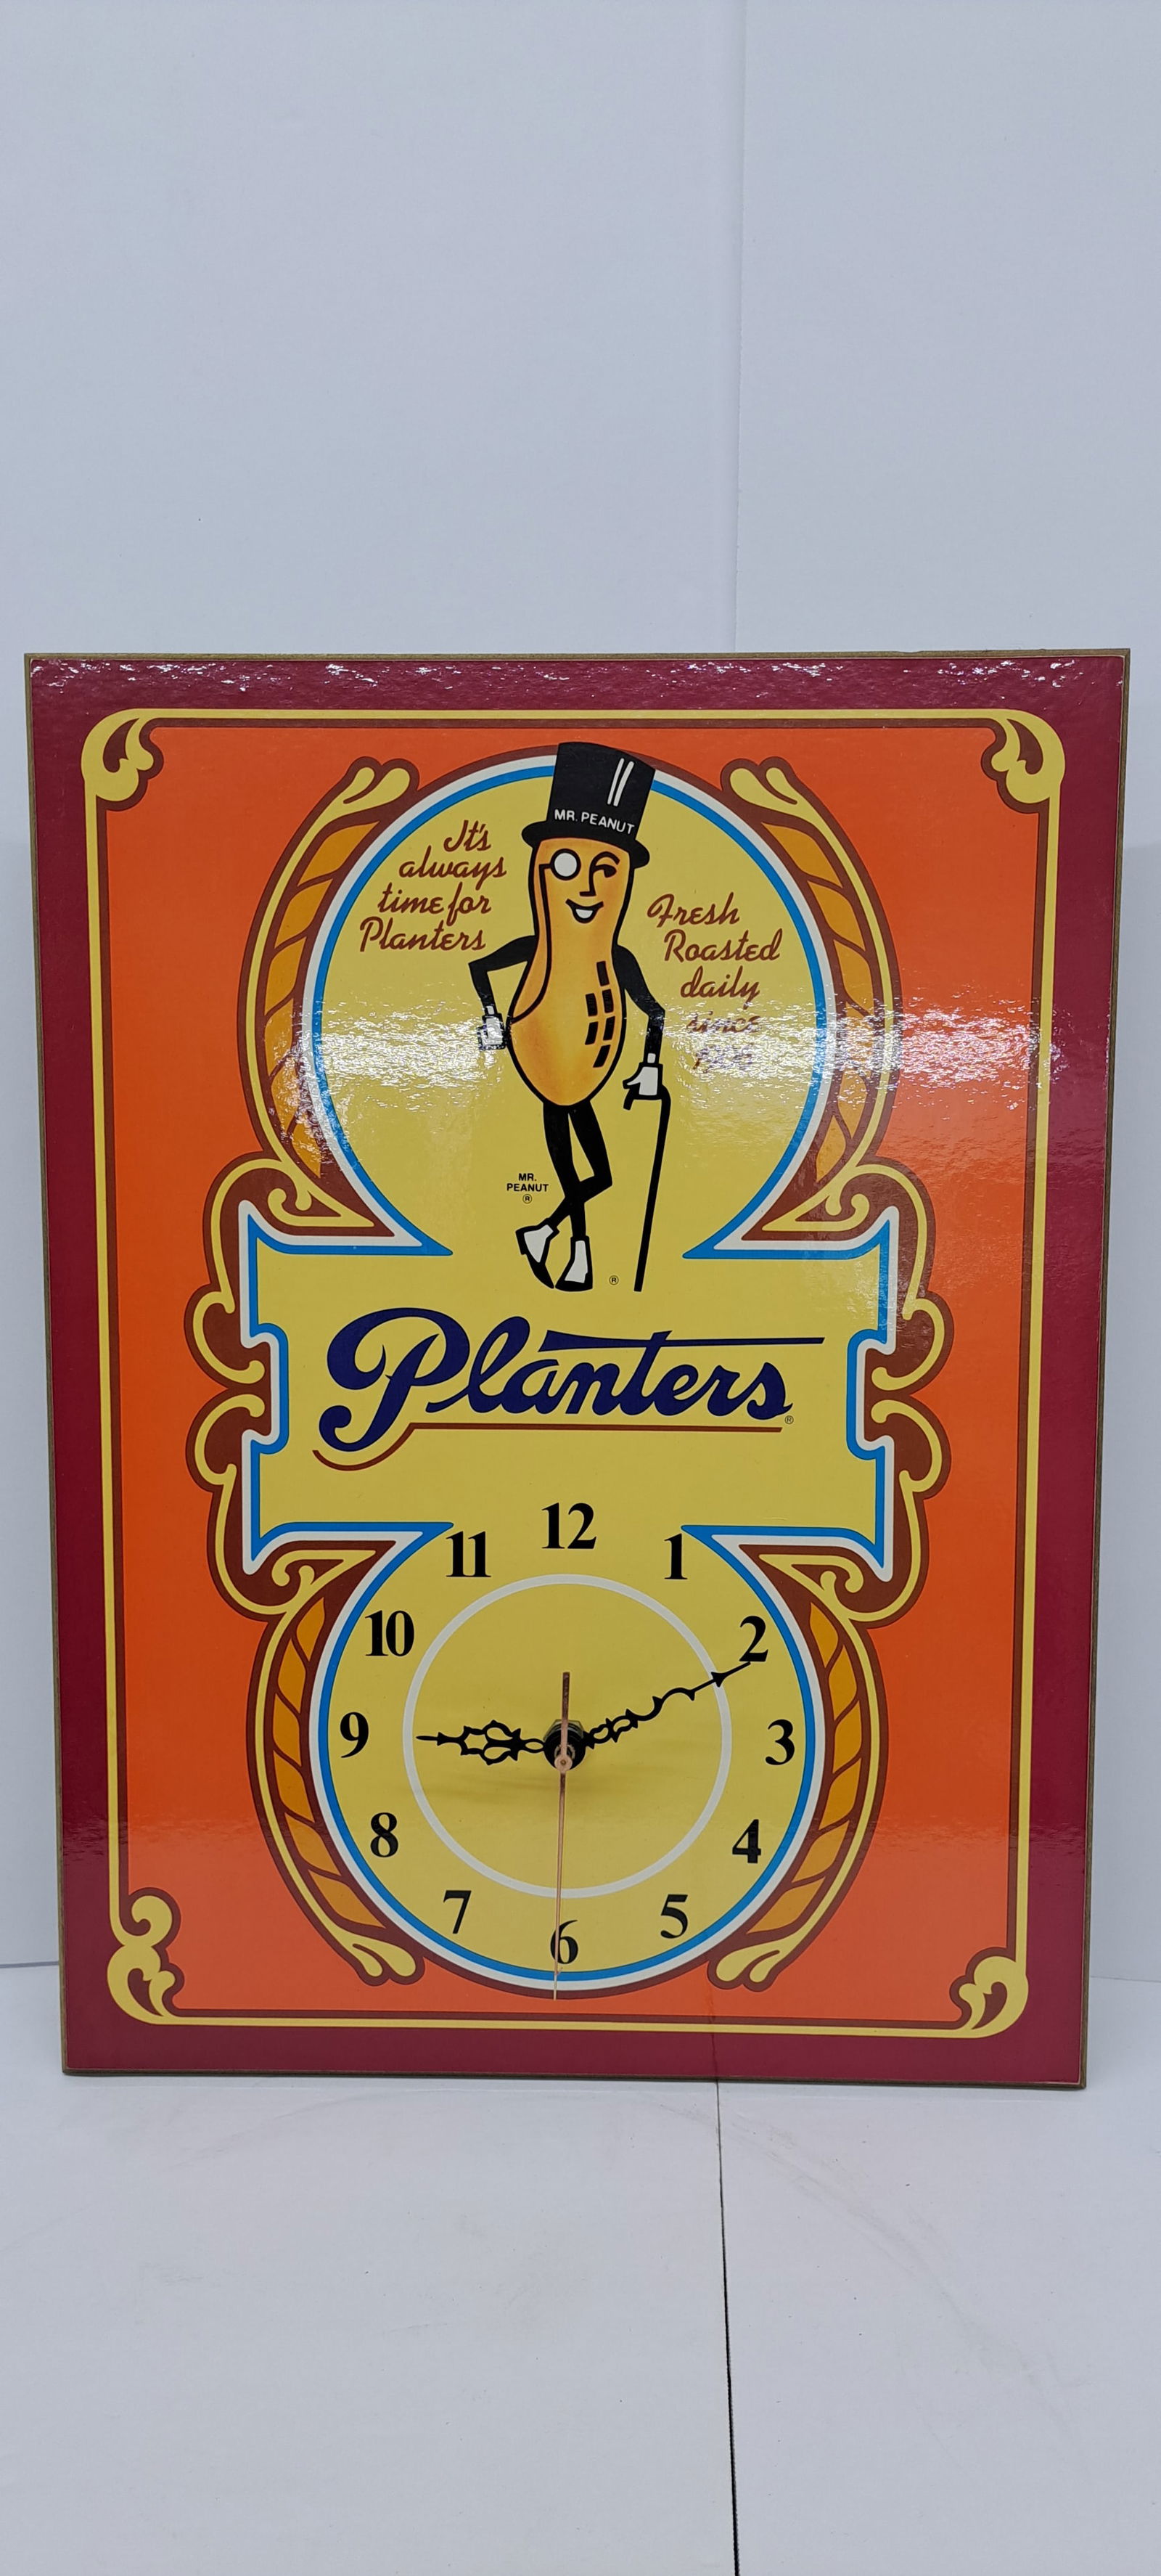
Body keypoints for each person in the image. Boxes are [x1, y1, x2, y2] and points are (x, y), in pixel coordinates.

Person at [470, 741, 665, 1291]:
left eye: (605, 870)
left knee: (596, 1175)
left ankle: (547, 1235)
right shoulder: (537, 949)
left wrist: (651, 1066)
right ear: (542, 868)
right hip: (550, 1078)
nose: (585, 886)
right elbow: (480, 966)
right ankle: (571, 1250)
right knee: (588, 1174)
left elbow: (655, 1011)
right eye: (566, 865)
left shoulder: (617, 958)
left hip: (582, 1080)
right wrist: (491, 1018)